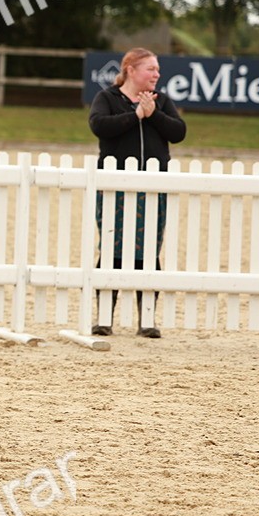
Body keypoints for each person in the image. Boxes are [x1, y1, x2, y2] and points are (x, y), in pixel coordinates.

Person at [88, 47, 187, 338]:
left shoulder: (161, 100)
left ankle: (147, 320)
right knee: (112, 248)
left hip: (152, 187)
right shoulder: (107, 98)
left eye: (157, 69)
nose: (157, 74)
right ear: (131, 70)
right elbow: (99, 125)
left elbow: (178, 132)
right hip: (115, 187)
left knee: (148, 251)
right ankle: (104, 318)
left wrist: (153, 114)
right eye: (150, 69)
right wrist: (135, 115)